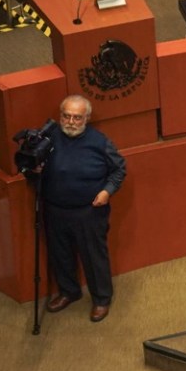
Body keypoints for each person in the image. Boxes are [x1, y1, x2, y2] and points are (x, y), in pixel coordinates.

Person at [41, 95, 126, 323]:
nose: (71, 122)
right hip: (55, 209)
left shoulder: (100, 142)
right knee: (60, 254)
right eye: (66, 116)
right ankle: (69, 292)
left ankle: (101, 299)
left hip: (89, 211)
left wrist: (107, 191)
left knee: (94, 257)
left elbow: (119, 170)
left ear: (86, 118)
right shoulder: (49, 137)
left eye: (77, 117)